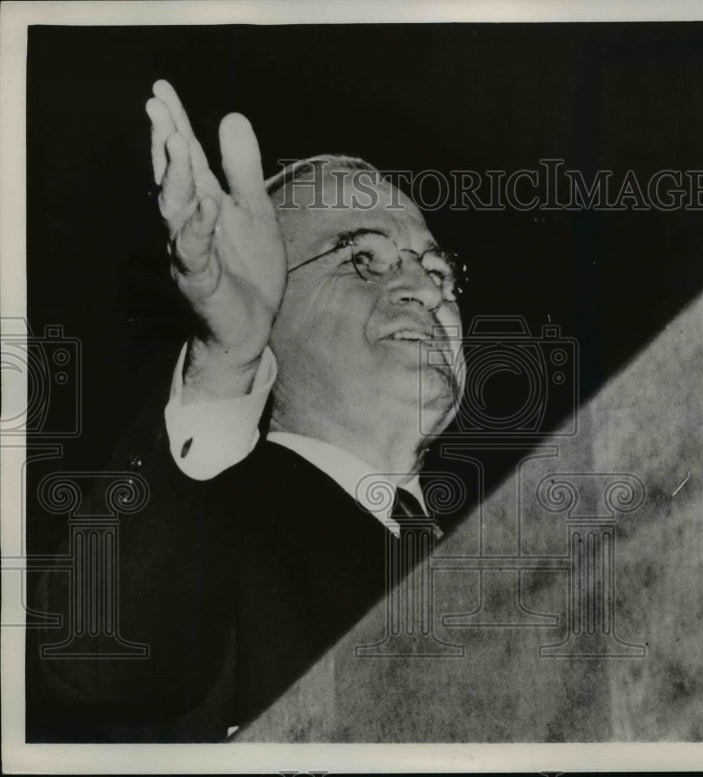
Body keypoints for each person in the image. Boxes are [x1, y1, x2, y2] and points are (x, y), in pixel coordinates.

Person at [27, 80, 466, 742]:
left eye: (438, 272)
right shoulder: (210, 531)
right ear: (270, 307)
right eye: (363, 259)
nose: (424, 291)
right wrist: (226, 357)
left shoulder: (517, 549)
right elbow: (95, 658)